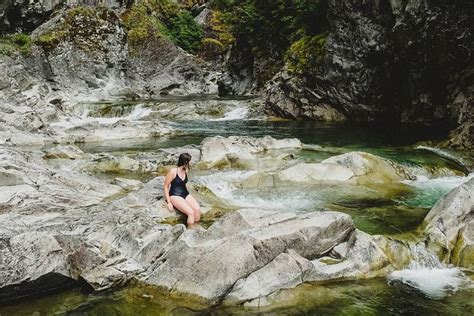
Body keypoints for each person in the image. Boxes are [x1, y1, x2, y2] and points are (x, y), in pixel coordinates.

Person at [163, 153, 201, 227]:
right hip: (175, 195)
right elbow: (165, 186)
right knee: (191, 213)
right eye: (190, 161)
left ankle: (196, 229)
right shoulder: (173, 171)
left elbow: (183, 184)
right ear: (185, 162)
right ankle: (190, 232)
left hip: (185, 193)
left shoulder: (186, 170)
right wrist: (169, 202)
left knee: (197, 209)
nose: (191, 163)